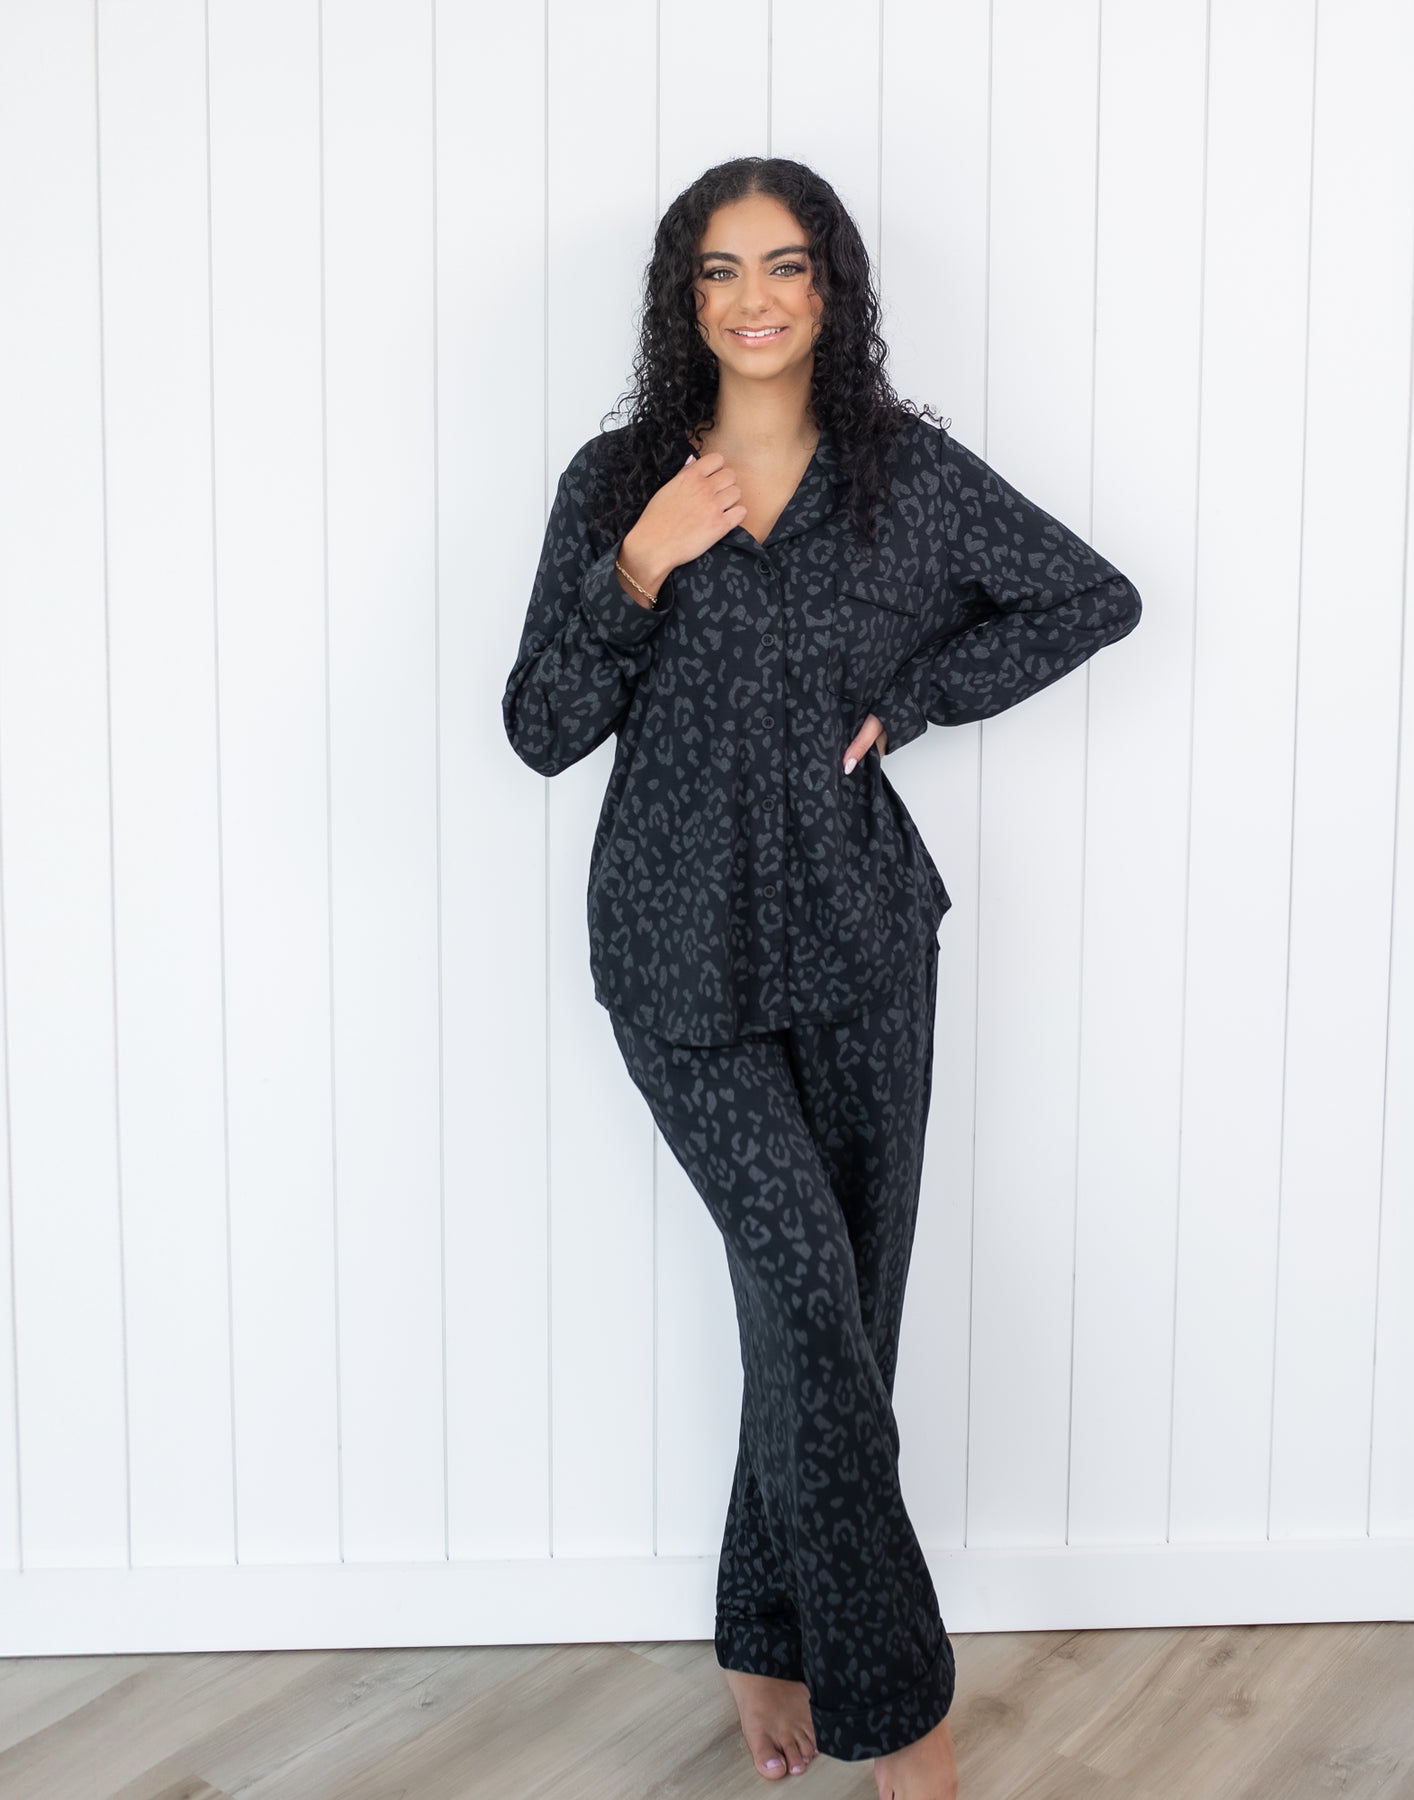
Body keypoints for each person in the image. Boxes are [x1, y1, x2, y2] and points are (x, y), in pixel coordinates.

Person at [502, 156, 1141, 1800]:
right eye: (722, 271)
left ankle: (764, 1636)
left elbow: (1091, 596)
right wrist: (637, 567)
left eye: (787, 265)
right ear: (685, 299)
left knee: (837, 1326)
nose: (758, 298)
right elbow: (539, 729)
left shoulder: (904, 479)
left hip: (862, 940)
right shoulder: (620, 479)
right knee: (807, 1302)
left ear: (833, 289)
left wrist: (920, 694)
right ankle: (909, 1729)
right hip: (673, 951)